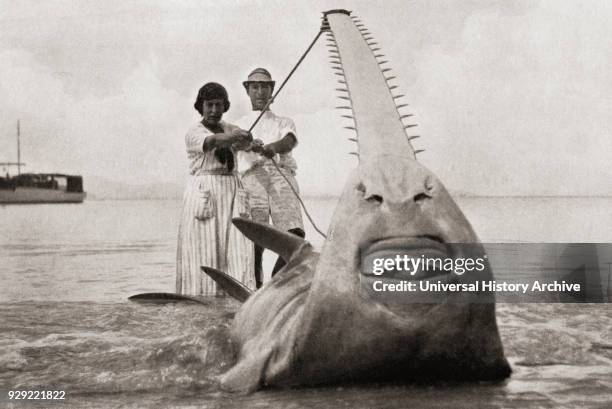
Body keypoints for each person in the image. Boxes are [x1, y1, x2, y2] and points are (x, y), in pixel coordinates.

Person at [176, 82, 255, 296]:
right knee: (204, 252)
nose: (213, 110)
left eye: (218, 105)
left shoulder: (231, 128)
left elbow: (246, 144)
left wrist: (247, 139)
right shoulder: (194, 132)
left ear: (224, 106)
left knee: (238, 252)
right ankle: (201, 300)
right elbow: (213, 141)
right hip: (204, 193)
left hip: (232, 191)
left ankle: (237, 301)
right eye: (209, 105)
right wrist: (236, 137)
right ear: (200, 106)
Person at [236, 68, 304, 288]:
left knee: (295, 236)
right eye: (254, 87)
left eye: (264, 86)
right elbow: (235, 144)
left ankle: (275, 286)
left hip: (281, 175)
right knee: (255, 240)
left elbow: (290, 141)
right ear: (247, 90)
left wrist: (272, 148)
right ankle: (255, 287)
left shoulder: (284, 122)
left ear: (272, 90)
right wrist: (249, 143)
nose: (260, 92)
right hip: (251, 178)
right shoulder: (240, 123)